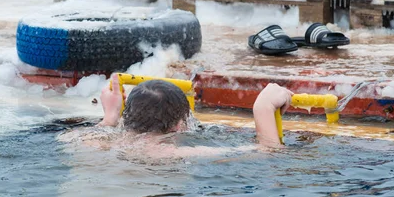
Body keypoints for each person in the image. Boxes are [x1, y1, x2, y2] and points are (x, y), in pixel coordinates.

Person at [99, 73, 293, 149]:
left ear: (126, 116)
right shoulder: (169, 154)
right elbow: (268, 152)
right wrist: (263, 108)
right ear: (179, 125)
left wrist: (109, 117)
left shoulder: (95, 143)